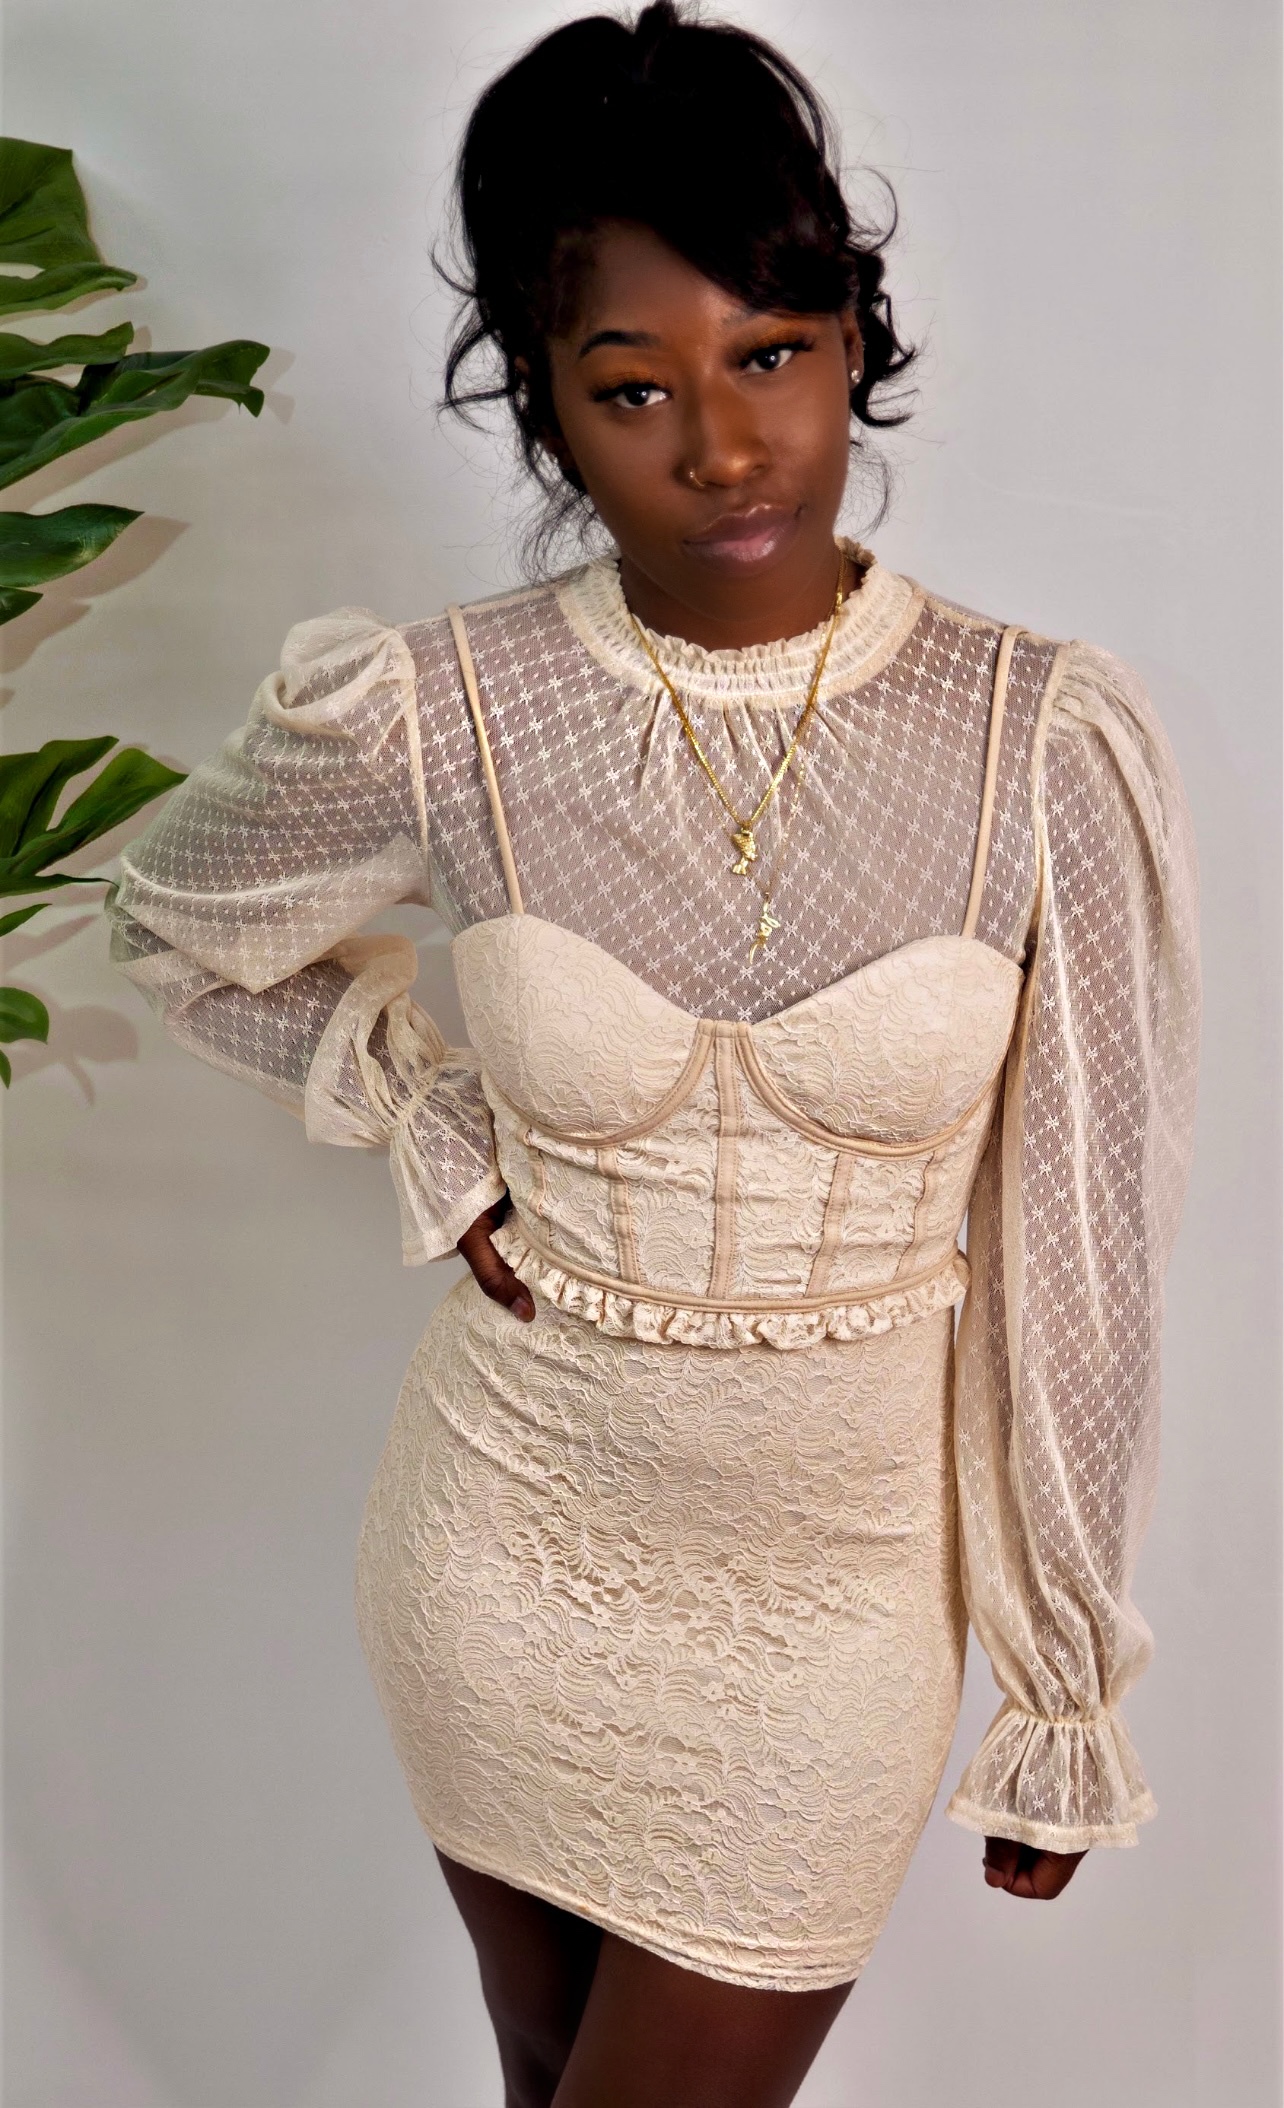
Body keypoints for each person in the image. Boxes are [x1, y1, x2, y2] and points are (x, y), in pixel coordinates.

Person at [108, 6, 1202, 2103]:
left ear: (854, 340)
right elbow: (177, 921)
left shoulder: (1036, 741)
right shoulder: (447, 712)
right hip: (502, 1551)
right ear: (543, 407)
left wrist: (1064, 1673)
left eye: (771, 355)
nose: (722, 446)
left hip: (838, 1611)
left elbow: (1080, 1257)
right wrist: (427, 1111)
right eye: (634, 389)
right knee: (545, 2073)